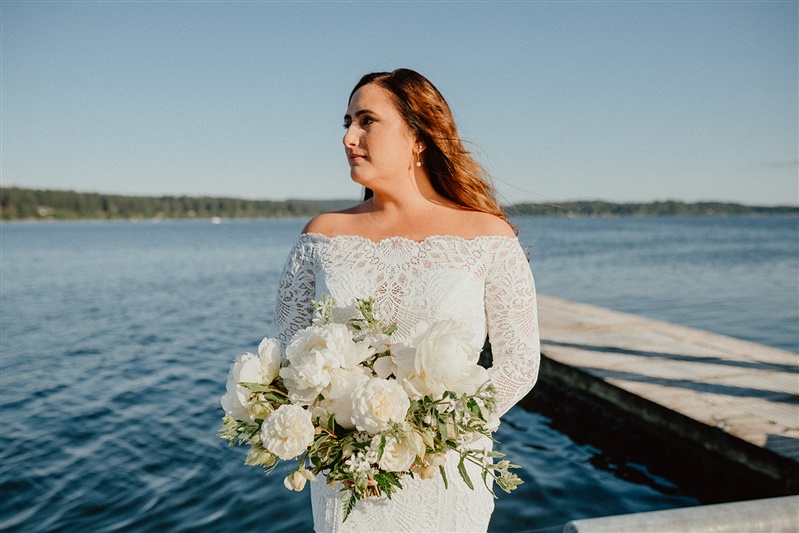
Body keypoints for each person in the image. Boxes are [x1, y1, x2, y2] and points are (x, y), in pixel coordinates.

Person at [272, 68, 540, 532]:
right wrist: (339, 440)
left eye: (366, 120)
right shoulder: (322, 237)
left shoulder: (487, 236)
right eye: (347, 122)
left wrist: (426, 434)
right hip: (348, 480)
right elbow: (289, 358)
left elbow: (519, 365)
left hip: (443, 470)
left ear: (418, 137)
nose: (349, 137)